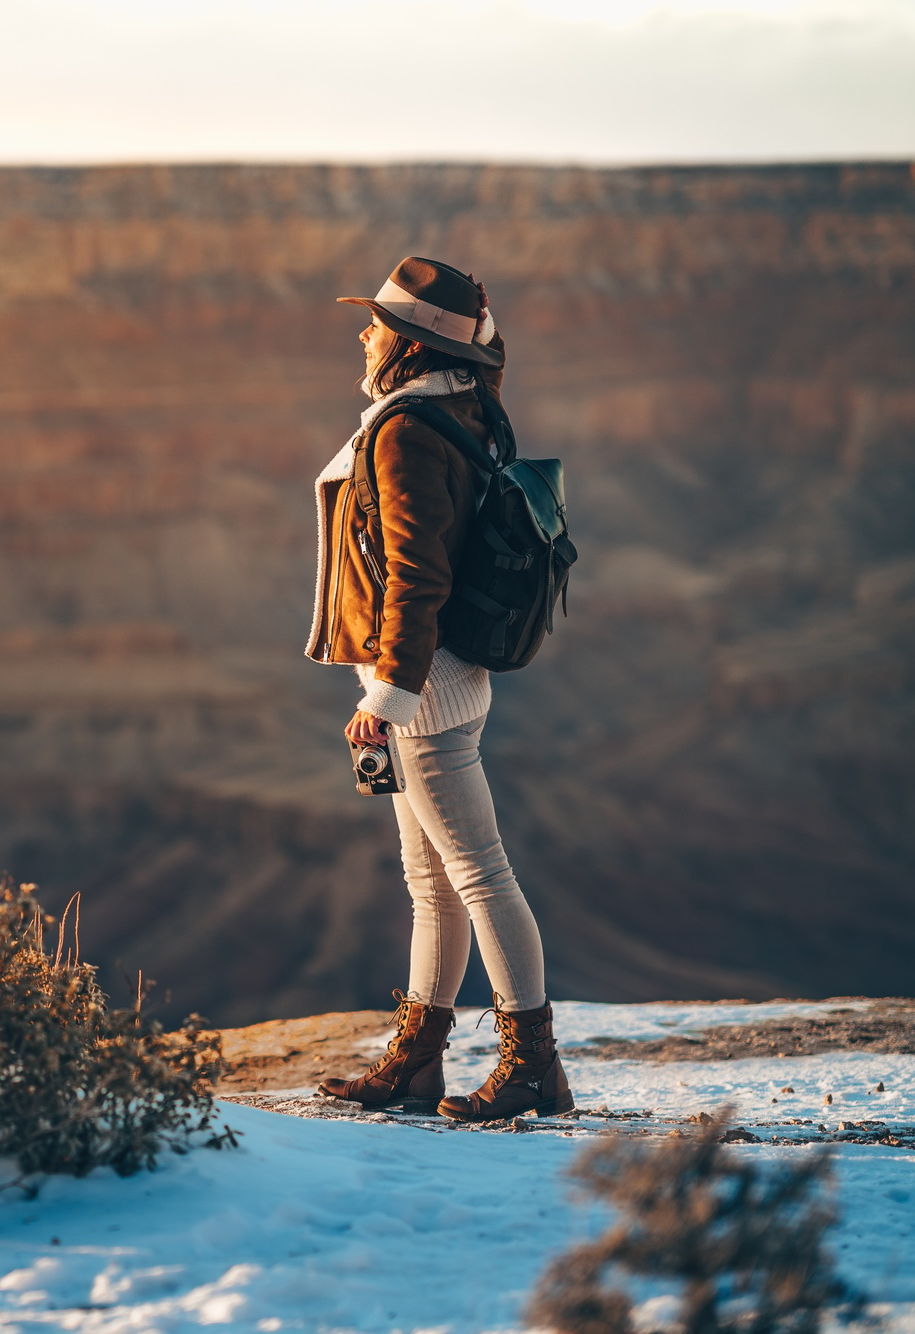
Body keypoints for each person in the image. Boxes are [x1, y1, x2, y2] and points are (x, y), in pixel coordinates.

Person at [305, 256, 573, 1121]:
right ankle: (416, 1060)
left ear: (411, 345)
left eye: (378, 322)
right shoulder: (459, 407)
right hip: (437, 682)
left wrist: (385, 700)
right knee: (434, 884)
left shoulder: (406, 431)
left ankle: (532, 1065)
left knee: (479, 874)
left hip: (425, 692)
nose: (364, 332)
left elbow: (415, 578)